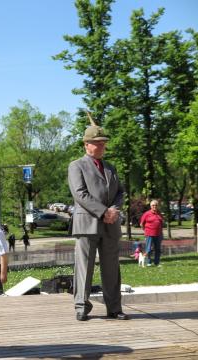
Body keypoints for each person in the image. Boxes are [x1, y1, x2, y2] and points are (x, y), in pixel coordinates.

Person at [67, 120, 129, 321]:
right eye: (98, 142)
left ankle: (114, 307)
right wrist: (103, 212)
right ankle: (81, 307)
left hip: (110, 225)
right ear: (86, 144)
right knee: (84, 267)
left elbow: (120, 192)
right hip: (87, 224)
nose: (102, 146)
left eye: (104, 142)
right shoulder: (76, 166)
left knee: (111, 268)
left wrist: (114, 210)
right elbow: (80, 194)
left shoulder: (111, 167)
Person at [140, 199, 164, 267]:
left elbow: (161, 223)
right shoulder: (146, 214)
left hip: (158, 234)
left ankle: (157, 262)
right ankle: (149, 262)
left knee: (158, 249)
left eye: (156, 205)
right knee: (149, 249)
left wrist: (161, 233)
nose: (154, 207)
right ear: (150, 206)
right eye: (153, 205)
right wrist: (145, 231)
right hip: (149, 234)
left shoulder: (159, 213)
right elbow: (141, 224)